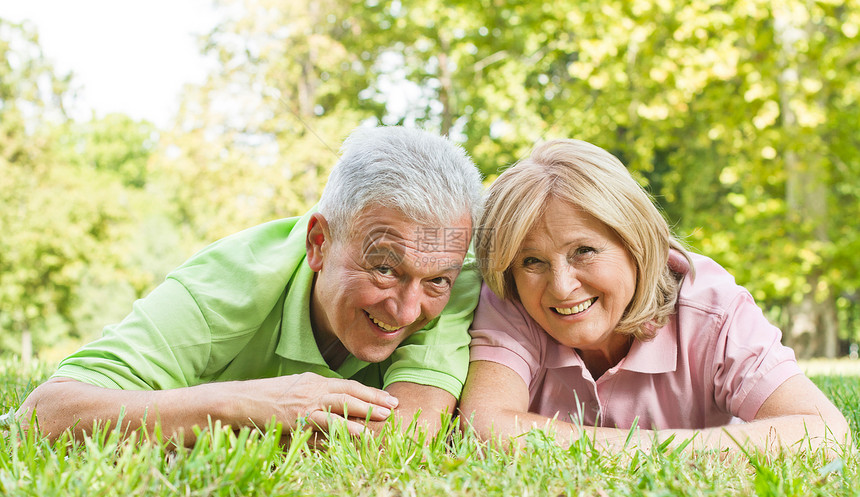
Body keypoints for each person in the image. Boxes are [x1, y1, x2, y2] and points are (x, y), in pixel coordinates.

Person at [19, 125, 484, 446]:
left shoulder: (455, 277)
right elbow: (44, 415)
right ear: (319, 242)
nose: (406, 311)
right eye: (384, 269)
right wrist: (245, 404)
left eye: (434, 280)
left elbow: (406, 436)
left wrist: (179, 430)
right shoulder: (227, 282)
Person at [459, 138, 849, 453]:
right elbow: (485, 426)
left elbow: (824, 434)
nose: (561, 286)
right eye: (532, 261)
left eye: (585, 251)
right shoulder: (511, 299)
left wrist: (644, 451)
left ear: (637, 245)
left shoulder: (711, 308)